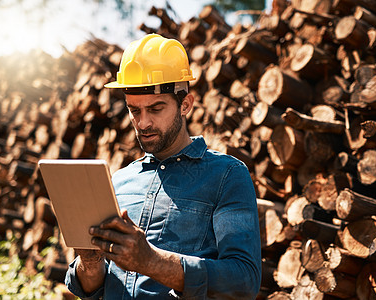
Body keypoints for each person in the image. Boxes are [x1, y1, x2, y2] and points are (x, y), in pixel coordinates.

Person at [65, 33, 261, 299]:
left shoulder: (227, 175)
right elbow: (92, 288)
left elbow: (243, 280)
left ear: (186, 105)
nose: (143, 122)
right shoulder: (120, 181)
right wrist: (90, 264)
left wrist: (152, 262)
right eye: (134, 110)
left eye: (156, 108)